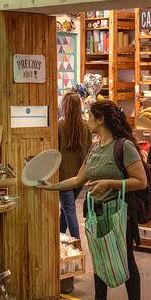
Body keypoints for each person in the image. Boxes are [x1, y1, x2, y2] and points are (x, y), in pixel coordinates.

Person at [38, 100, 147, 300]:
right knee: (99, 256)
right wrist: (49, 186)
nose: (87, 120)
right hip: (96, 213)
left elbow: (140, 181)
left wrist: (110, 183)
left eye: (90, 117)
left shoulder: (123, 146)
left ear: (101, 120)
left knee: (125, 259)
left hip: (119, 212)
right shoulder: (95, 148)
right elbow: (78, 179)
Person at [57, 92, 91, 240]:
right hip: (80, 176)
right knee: (66, 209)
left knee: (69, 210)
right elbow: (89, 149)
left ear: (65, 106)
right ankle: (58, 239)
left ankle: (77, 244)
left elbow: (55, 152)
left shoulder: (59, 126)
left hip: (63, 177)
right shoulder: (86, 126)